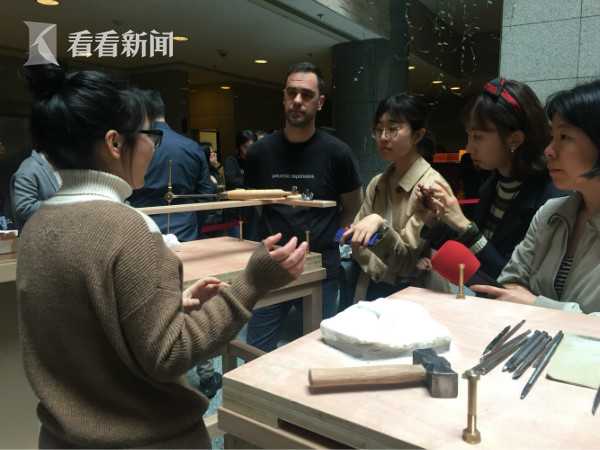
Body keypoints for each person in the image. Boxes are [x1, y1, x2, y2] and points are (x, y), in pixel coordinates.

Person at [16, 64, 308, 449]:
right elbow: (170, 354)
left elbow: (88, 326)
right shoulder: (128, 228)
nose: (154, 147)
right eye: (150, 134)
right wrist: (251, 283)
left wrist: (171, 306)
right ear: (115, 143)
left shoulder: (37, 226)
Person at [244, 62, 363, 351]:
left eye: (307, 95)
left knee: (317, 350)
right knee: (256, 351)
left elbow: (352, 207)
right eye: (292, 93)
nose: (297, 100)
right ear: (284, 97)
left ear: (320, 102)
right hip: (271, 267)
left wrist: (332, 239)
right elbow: (255, 206)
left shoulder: (338, 153)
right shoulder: (260, 152)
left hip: (321, 269)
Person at [472, 80, 600, 314]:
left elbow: (519, 297)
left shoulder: (543, 198)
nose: (549, 150)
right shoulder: (551, 213)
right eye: (552, 137)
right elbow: (508, 284)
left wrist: (535, 303)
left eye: (564, 137)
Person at [418, 78, 564, 279]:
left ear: (515, 139)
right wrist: (436, 219)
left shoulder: (549, 196)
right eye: (469, 135)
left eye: (478, 137)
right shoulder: (491, 185)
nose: (469, 148)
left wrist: (464, 225)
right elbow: (474, 260)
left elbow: (511, 281)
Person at [340, 93, 452, 302]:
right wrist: (389, 266)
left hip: (419, 295)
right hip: (373, 288)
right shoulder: (377, 183)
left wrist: (377, 228)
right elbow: (353, 240)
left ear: (417, 135)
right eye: (378, 129)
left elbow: (405, 262)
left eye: (392, 129)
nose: (383, 137)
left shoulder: (432, 187)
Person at [128, 90, 214, 241]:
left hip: (141, 232)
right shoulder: (192, 147)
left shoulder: (133, 146)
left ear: (141, 112)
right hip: (185, 231)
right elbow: (206, 194)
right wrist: (192, 222)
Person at [9, 149, 61, 229]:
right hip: (42, 232)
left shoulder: (63, 163)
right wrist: (61, 205)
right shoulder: (28, 169)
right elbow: (25, 207)